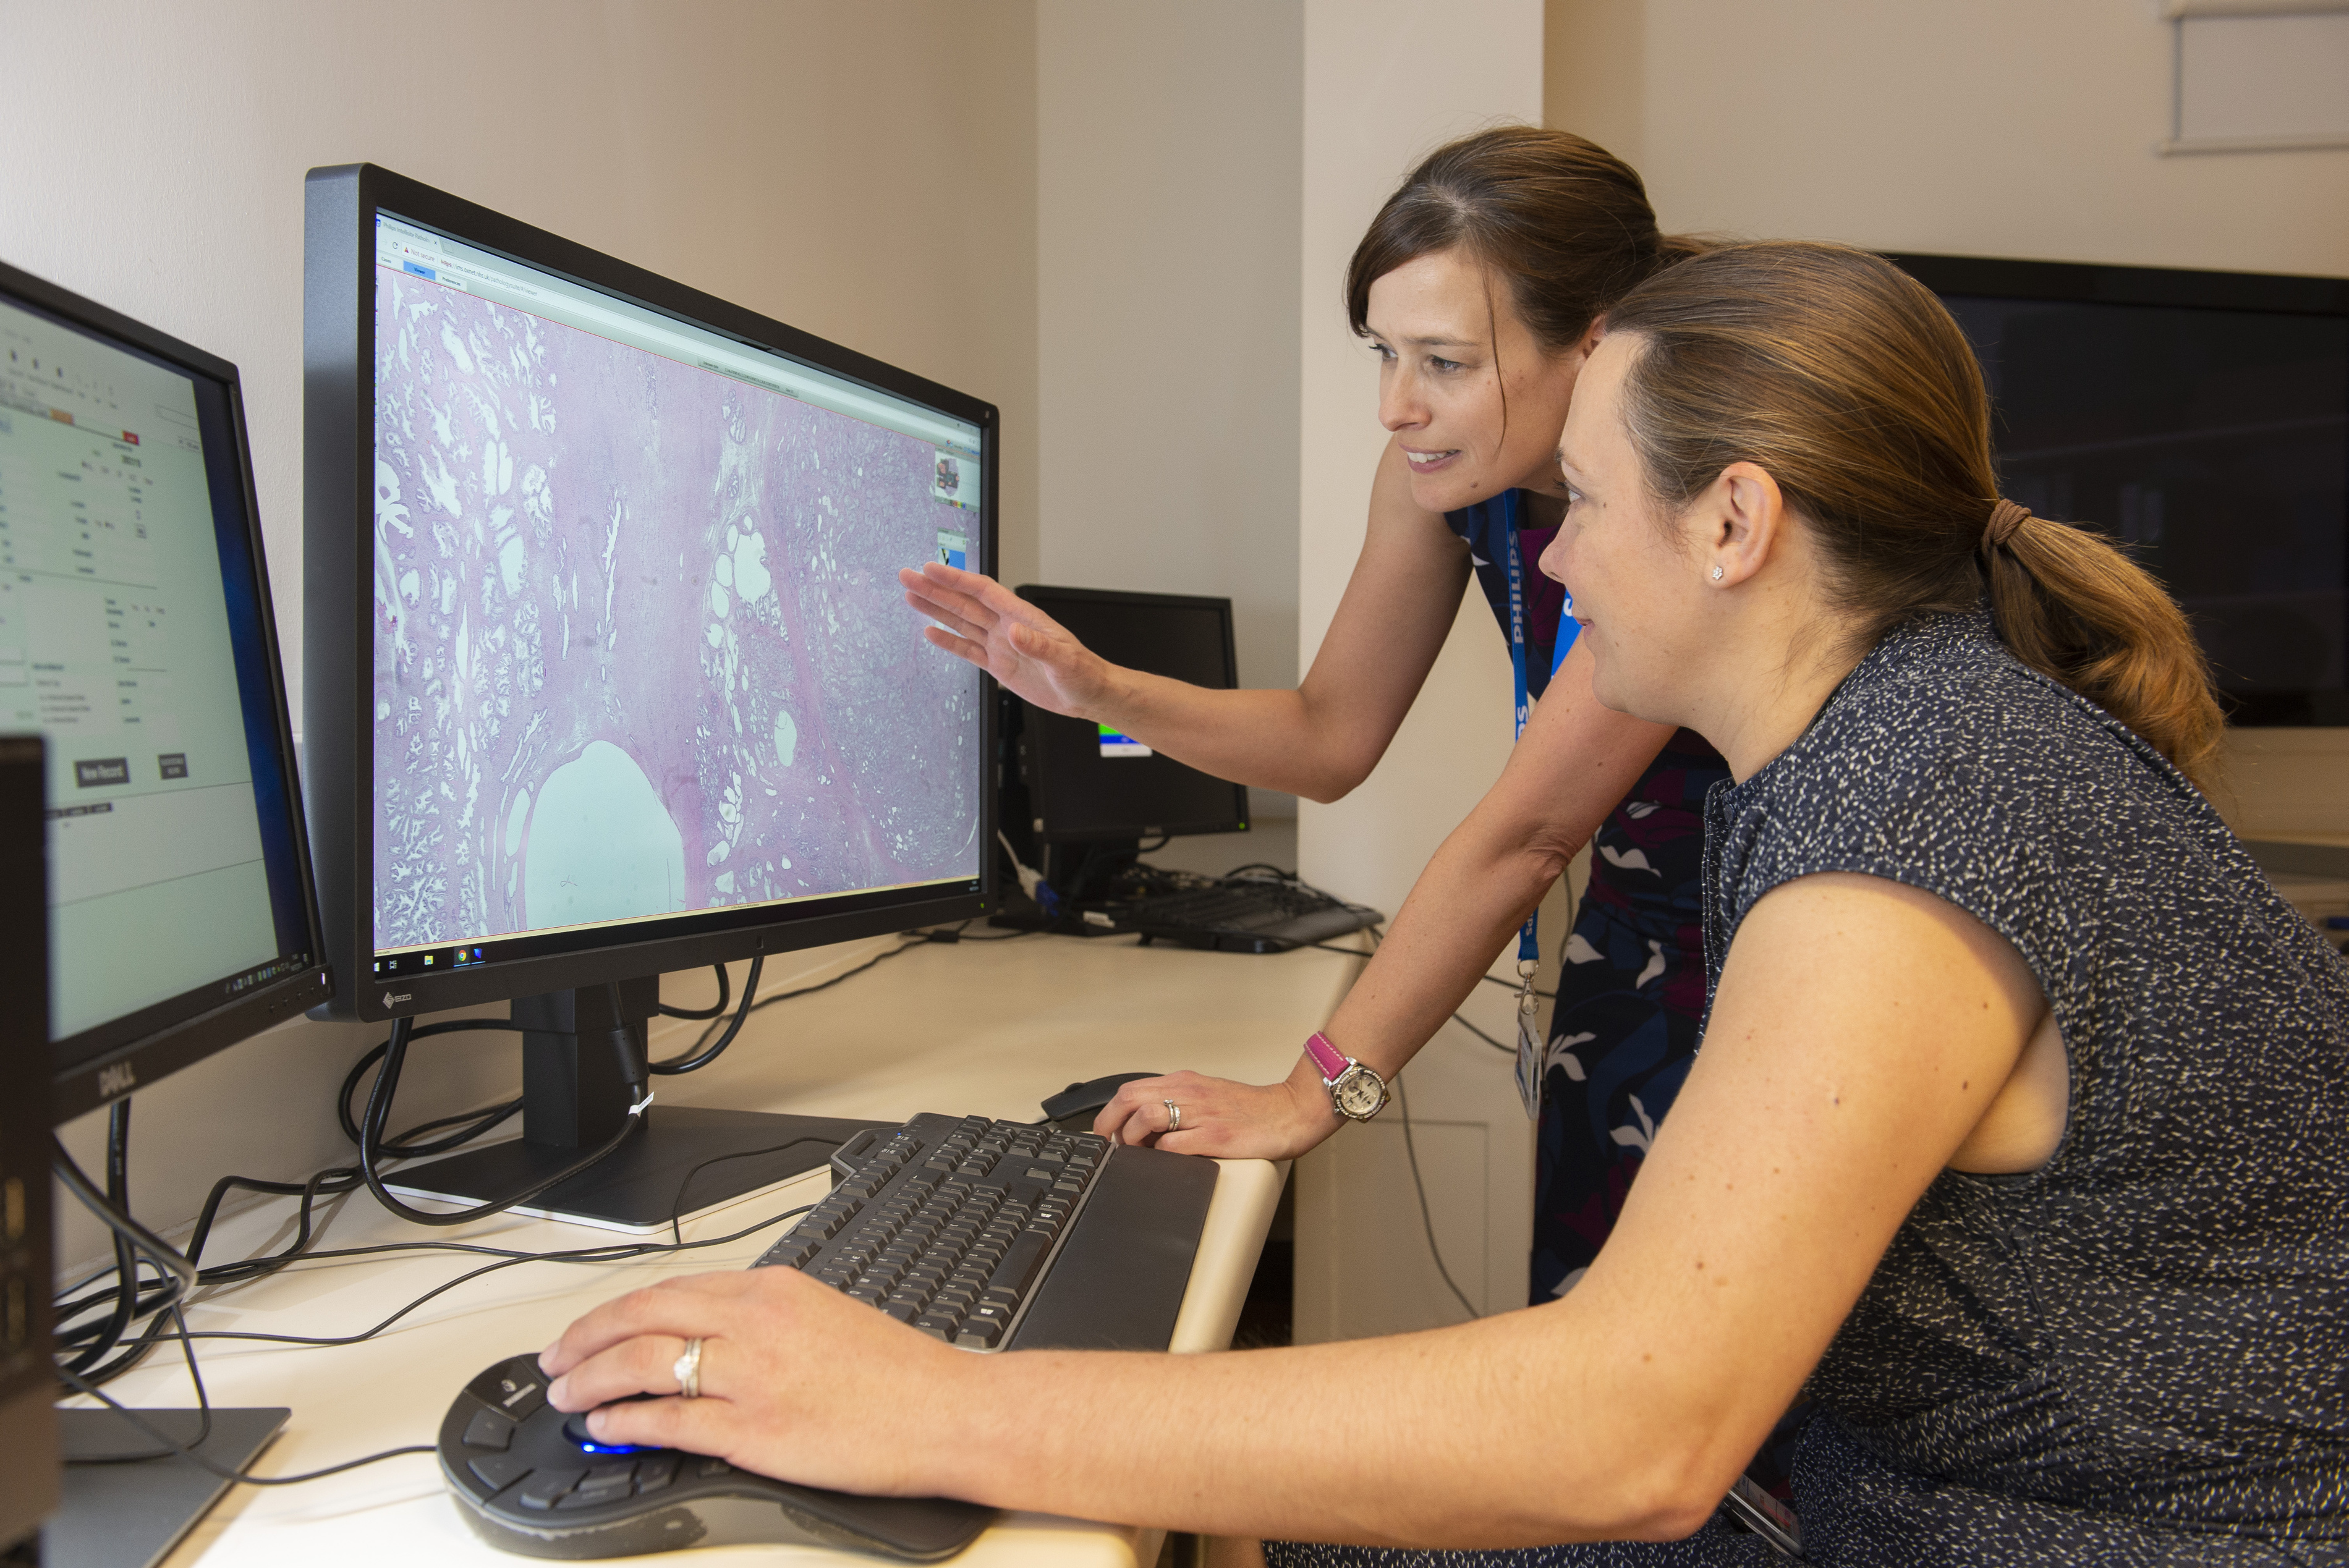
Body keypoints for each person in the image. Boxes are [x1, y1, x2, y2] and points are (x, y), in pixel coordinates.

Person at [540, 240, 2349, 1564]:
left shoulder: (1912, 824)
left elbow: (1635, 1435)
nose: (1551, 561)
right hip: (1957, 1501)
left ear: (1733, 523)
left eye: (1578, 504)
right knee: (1229, 1509)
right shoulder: (1915, 738)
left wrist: (914, 1398)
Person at [901, 125, 1722, 1307]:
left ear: (1593, 347)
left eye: (1444, 361)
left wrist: (1310, 1093)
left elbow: (1526, 836)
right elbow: (1329, 735)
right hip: (1633, 927)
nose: (1397, 407)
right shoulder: (1446, 472)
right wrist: (1094, 692)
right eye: (1383, 353)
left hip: (1764, 940)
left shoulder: (1680, 490)